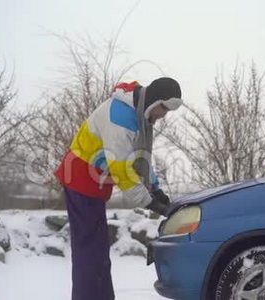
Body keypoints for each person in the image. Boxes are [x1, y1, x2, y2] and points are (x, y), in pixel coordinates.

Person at [54, 77, 183, 300]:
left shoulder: (137, 115)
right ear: (153, 100)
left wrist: (156, 189)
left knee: (99, 251)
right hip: (81, 181)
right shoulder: (120, 119)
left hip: (94, 185)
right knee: (89, 253)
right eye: (163, 108)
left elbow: (139, 158)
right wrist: (149, 201)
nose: (163, 115)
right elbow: (123, 171)